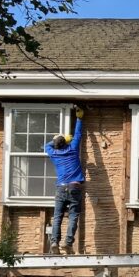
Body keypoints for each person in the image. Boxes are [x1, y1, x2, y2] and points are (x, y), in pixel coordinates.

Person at [46, 106, 86, 254]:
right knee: (73, 216)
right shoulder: (73, 149)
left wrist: (57, 140)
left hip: (60, 188)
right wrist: (79, 118)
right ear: (67, 142)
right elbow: (78, 134)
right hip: (75, 187)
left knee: (57, 217)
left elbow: (47, 145)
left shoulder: (53, 153)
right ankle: (67, 244)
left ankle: (54, 242)